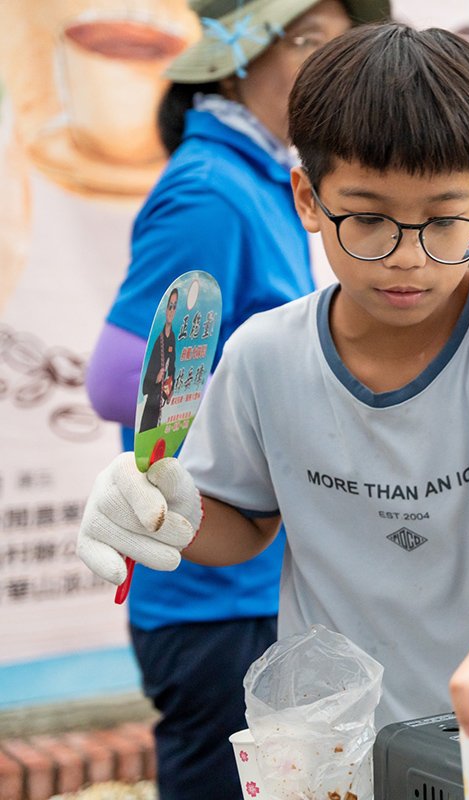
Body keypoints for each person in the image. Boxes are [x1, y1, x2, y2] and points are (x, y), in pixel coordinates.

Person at [77, 19, 469, 767]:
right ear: (308, 198)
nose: (408, 258)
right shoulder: (264, 356)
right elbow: (242, 525)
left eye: (445, 220)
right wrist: (167, 513)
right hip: (326, 753)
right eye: (369, 218)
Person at [83, 1, 388, 798]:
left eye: (342, 46)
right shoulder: (213, 192)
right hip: (211, 593)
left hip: (250, 578)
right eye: (312, 42)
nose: (332, 67)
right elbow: (117, 379)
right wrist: (276, 392)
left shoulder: (266, 181)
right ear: (239, 59)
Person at [137, 288, 178, 433]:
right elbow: (149, 372)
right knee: (147, 430)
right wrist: (156, 378)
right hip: (153, 399)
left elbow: (173, 366)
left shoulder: (173, 338)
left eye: (174, 307)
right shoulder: (158, 340)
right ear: (165, 309)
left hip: (164, 400)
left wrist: (171, 387)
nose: (171, 311)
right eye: (170, 307)